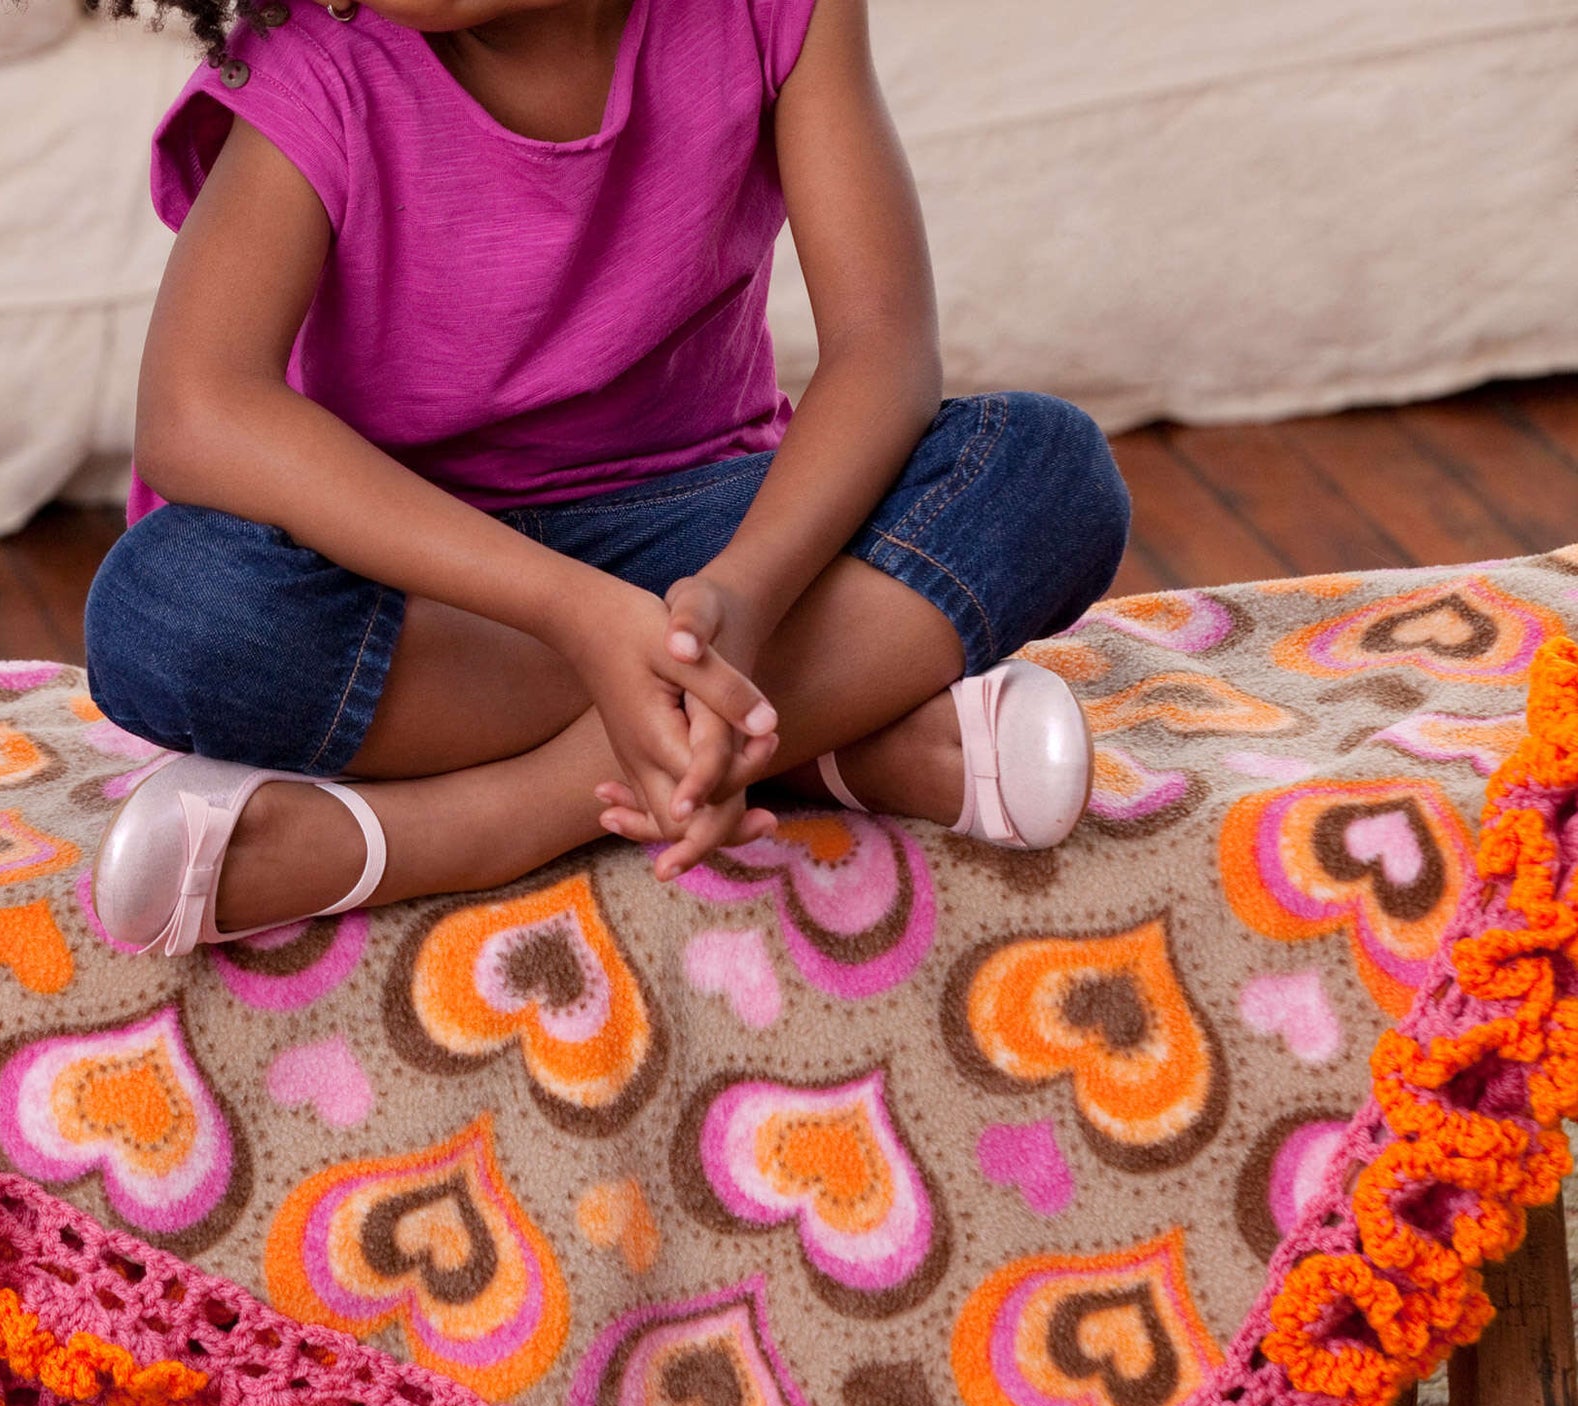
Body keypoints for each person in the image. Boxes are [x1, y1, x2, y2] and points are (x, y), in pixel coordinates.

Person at [84, 0, 1132, 956]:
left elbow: (880, 347)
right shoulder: (318, 56)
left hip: (702, 540)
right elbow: (197, 413)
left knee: (1041, 470)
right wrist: (577, 614)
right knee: (172, 610)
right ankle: (822, 739)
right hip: (425, 584)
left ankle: (487, 822)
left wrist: (746, 596)